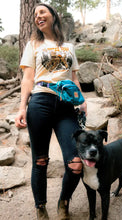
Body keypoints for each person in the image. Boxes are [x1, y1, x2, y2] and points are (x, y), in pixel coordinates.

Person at [15, 3, 87, 220]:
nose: (38, 16)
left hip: (66, 106)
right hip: (40, 102)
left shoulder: (69, 47)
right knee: (40, 160)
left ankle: (63, 202)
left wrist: (82, 101)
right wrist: (22, 107)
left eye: (42, 12)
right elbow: (27, 79)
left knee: (75, 162)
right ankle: (41, 208)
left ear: (53, 15)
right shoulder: (33, 44)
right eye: (35, 14)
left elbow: (74, 78)